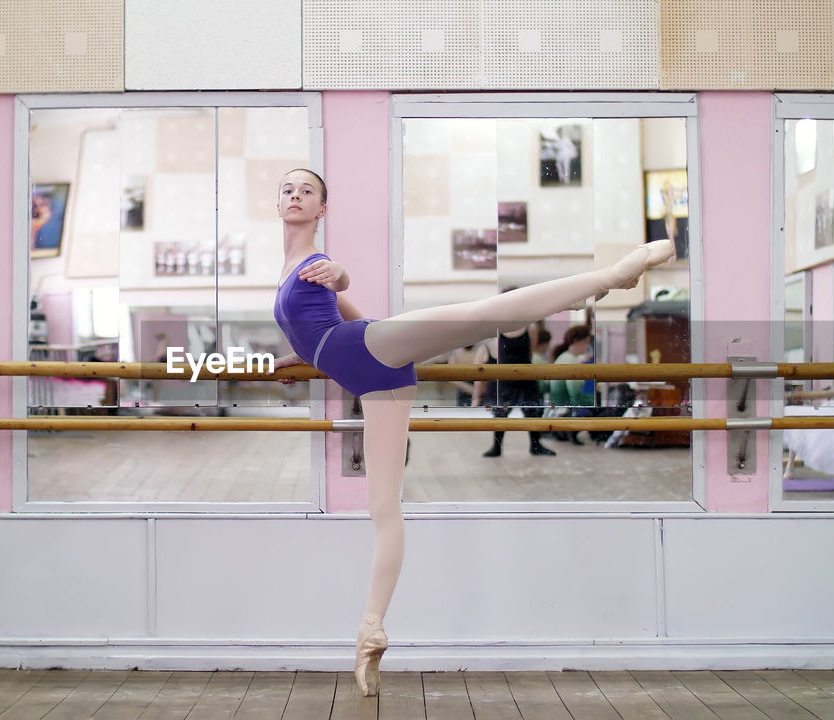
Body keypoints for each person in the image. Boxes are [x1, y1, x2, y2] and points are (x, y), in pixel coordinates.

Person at [270, 168, 675, 696]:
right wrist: (301, 356)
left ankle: (611, 277)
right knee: (384, 509)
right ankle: (370, 629)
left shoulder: (315, 262)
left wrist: (344, 285)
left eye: (308, 191)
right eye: (288, 189)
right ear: (277, 202)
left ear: (322, 210)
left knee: (484, 313)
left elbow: (340, 282)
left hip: (366, 353)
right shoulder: (285, 269)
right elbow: (333, 318)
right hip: (369, 371)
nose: (295, 195)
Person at [472, 319, 554, 457]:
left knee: (532, 410)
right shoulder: (499, 328)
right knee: (501, 413)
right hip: (506, 377)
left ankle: (536, 445)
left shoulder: (531, 327)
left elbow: (530, 352)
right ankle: (496, 447)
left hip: (525, 374)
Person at [550, 325, 596, 446]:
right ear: (576, 341)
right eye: (586, 342)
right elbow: (575, 394)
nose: (587, 346)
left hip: (557, 408)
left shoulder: (565, 357)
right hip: (563, 410)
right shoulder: (570, 361)